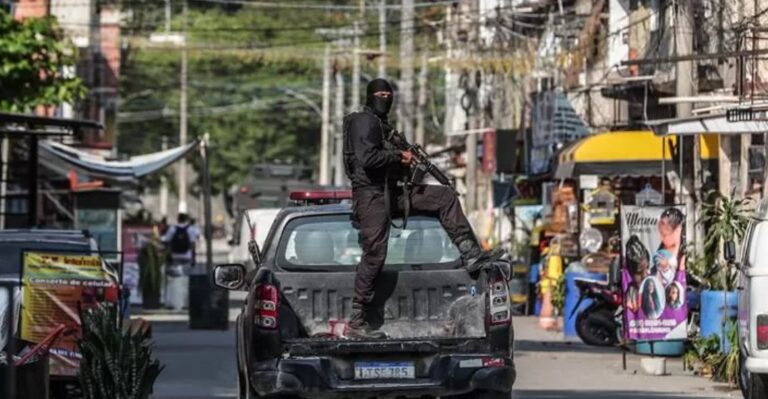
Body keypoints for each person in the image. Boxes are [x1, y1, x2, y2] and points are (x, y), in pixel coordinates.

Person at [342, 78, 491, 339]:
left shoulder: (381, 124)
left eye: (388, 94)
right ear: (369, 96)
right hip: (370, 195)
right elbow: (367, 158)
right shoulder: (363, 121)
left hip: (390, 193)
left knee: (444, 197)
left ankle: (470, 253)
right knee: (375, 254)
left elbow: (387, 161)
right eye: (379, 94)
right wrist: (399, 156)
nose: (384, 98)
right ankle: (356, 321)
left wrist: (408, 162)